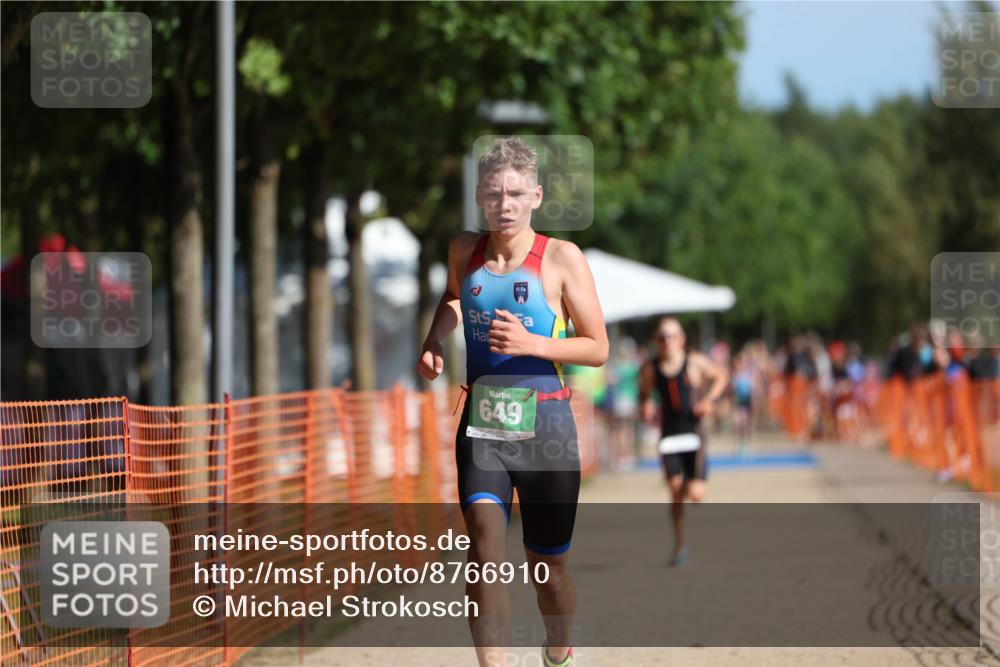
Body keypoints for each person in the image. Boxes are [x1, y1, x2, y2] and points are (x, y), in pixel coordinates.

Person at [416, 137, 608, 667]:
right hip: (482, 424)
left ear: (536, 197)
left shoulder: (562, 258)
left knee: (548, 571)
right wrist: (434, 342)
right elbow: (455, 297)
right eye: (496, 193)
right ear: (479, 196)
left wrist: (536, 345)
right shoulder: (464, 251)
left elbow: (598, 346)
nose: (505, 204)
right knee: (483, 553)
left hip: (546, 426)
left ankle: (560, 645)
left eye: (517, 193)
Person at [639, 317, 728, 566]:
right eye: (662, 336)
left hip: (694, 433)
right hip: (669, 436)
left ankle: (693, 480)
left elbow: (721, 376)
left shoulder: (695, 362)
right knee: (675, 494)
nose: (667, 341)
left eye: (672, 336)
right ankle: (680, 546)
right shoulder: (651, 368)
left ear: (682, 339)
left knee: (696, 494)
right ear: (657, 341)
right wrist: (646, 404)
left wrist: (709, 400)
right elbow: (644, 391)